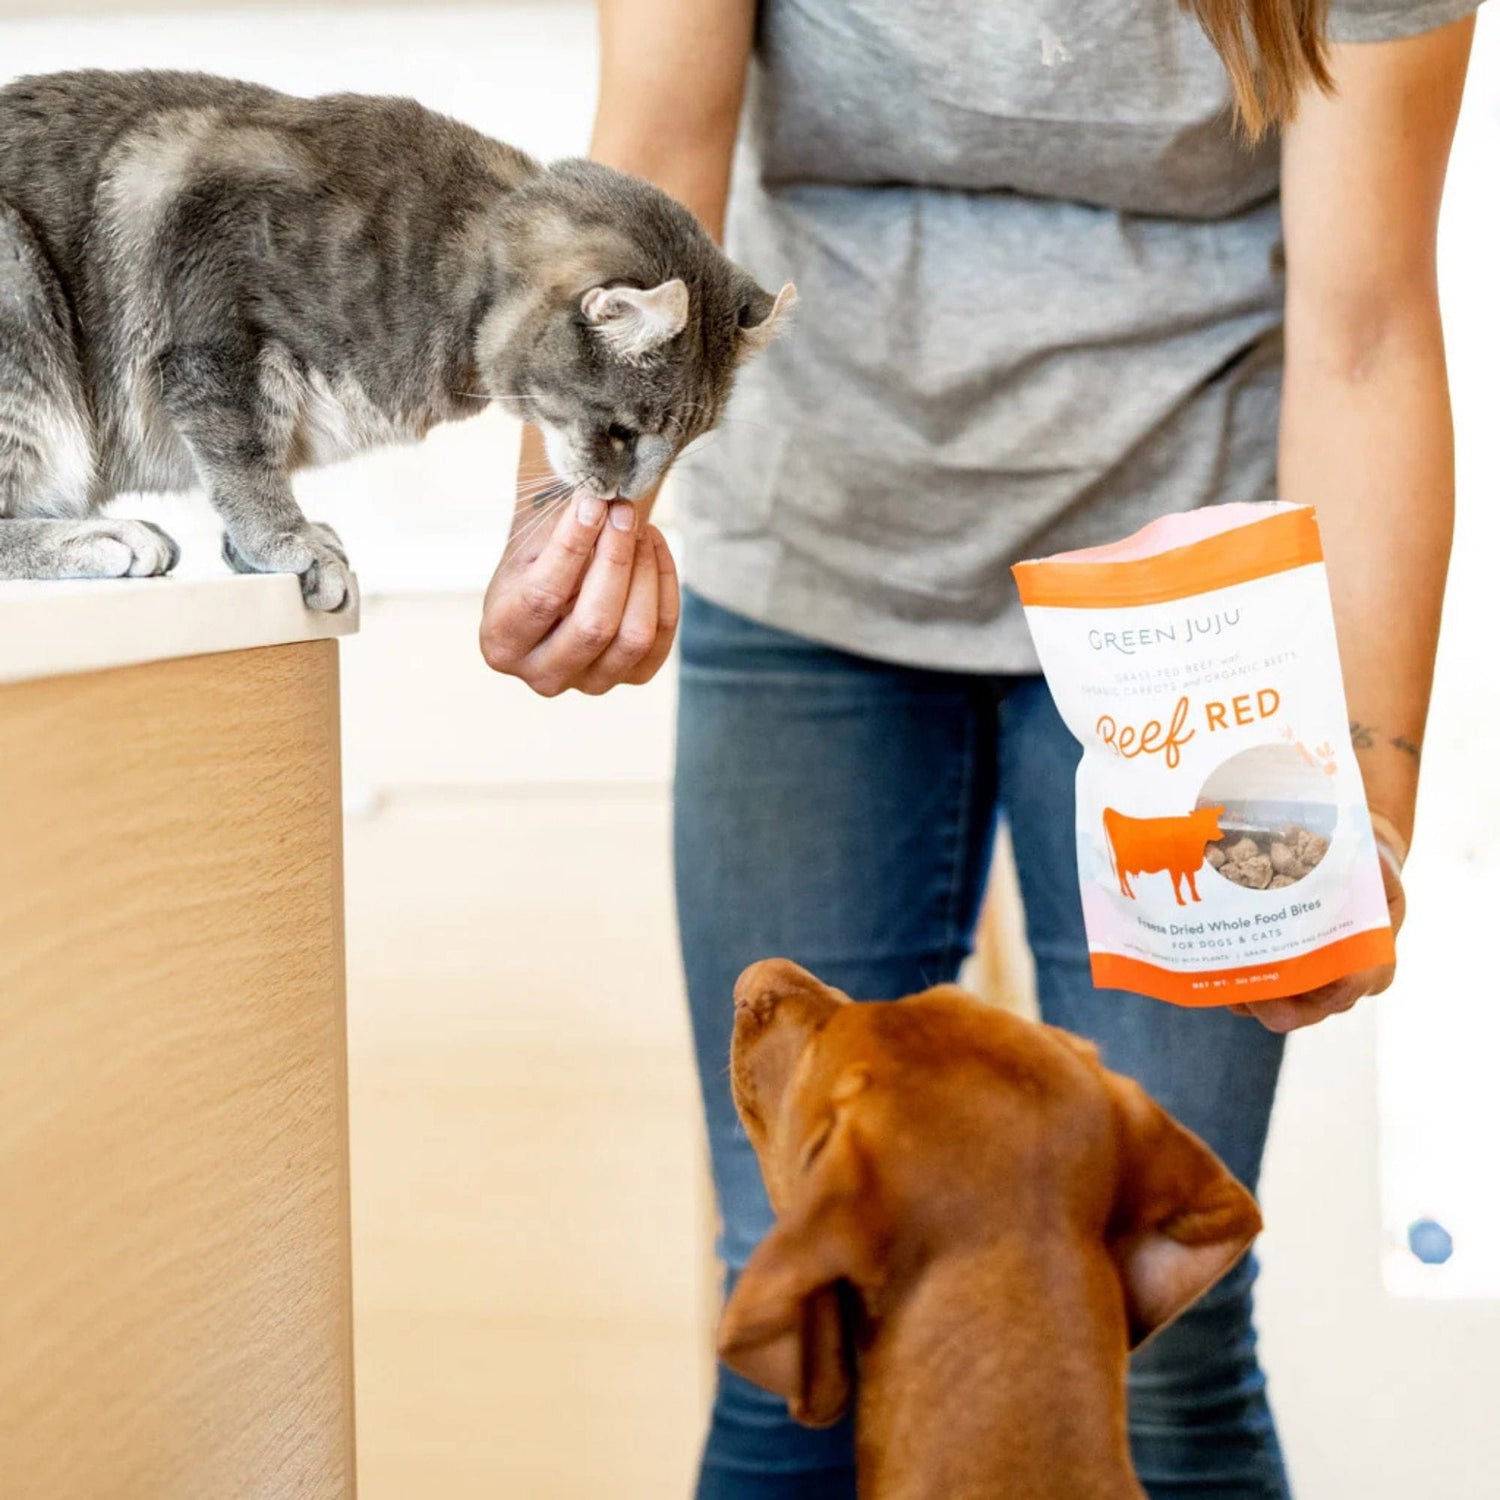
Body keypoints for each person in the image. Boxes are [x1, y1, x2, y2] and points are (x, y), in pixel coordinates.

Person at [480, 2, 1481, 1494]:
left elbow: (1368, 330)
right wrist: (567, 518)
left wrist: (1370, 801)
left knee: (1172, 1326)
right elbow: (653, 164)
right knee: (793, 1307)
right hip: (813, 550)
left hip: (1187, 628)